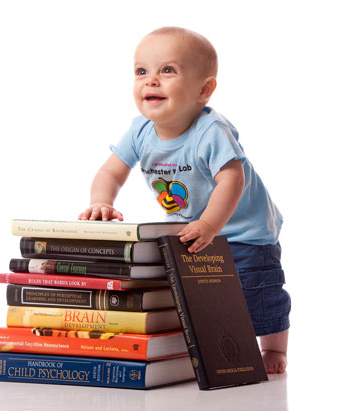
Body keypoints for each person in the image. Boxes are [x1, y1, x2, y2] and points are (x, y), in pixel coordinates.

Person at [78, 27, 291, 374]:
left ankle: (273, 347)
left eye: (168, 70)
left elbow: (231, 180)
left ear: (203, 90)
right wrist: (101, 201)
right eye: (141, 71)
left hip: (244, 231)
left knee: (256, 288)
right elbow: (111, 172)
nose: (151, 81)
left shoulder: (211, 131)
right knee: (199, 296)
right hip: (195, 229)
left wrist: (210, 224)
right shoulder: (140, 131)